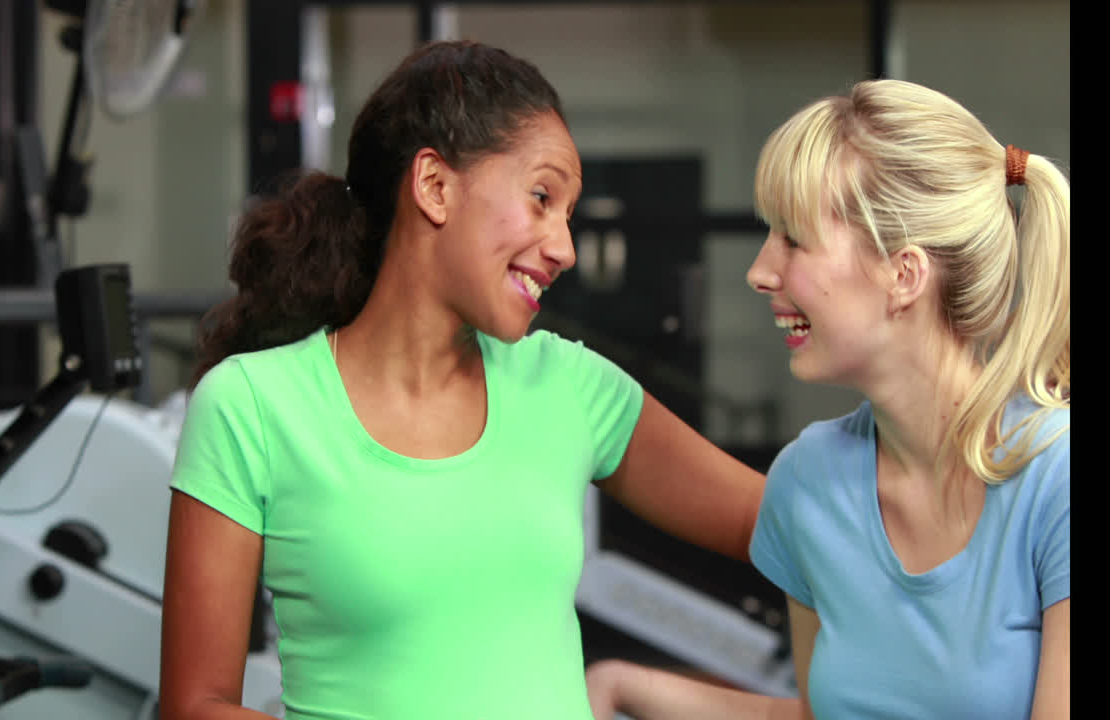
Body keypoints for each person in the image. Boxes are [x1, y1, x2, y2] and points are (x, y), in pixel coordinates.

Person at [157, 40, 767, 720]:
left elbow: (777, 522)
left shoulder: (568, 385)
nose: (564, 248)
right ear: (435, 187)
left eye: (566, 214)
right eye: (542, 198)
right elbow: (196, 706)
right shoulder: (251, 406)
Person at [583, 77, 1069, 719]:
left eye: (793, 238)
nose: (759, 271)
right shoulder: (806, 482)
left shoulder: (1054, 477)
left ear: (904, 275)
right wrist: (622, 686)